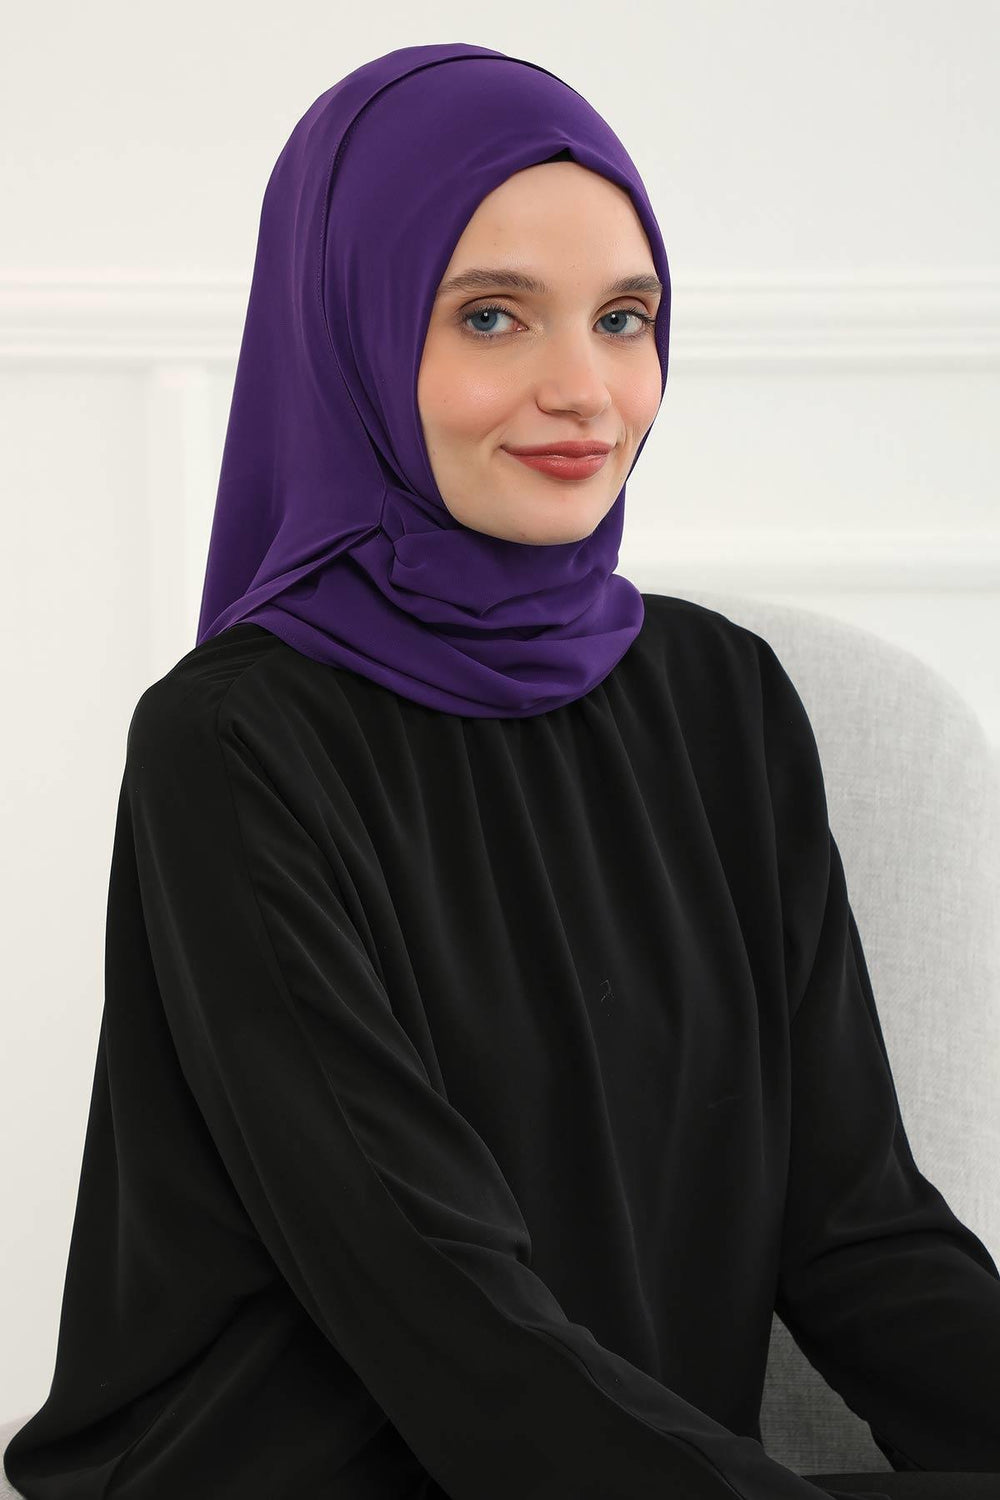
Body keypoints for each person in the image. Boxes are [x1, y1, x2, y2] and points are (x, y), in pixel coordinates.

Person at [4, 40, 999, 1500]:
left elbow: (862, 1234)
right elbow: (432, 1296)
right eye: (490, 316)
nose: (585, 389)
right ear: (350, 333)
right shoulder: (233, 744)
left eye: (624, 319)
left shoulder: (724, 704)